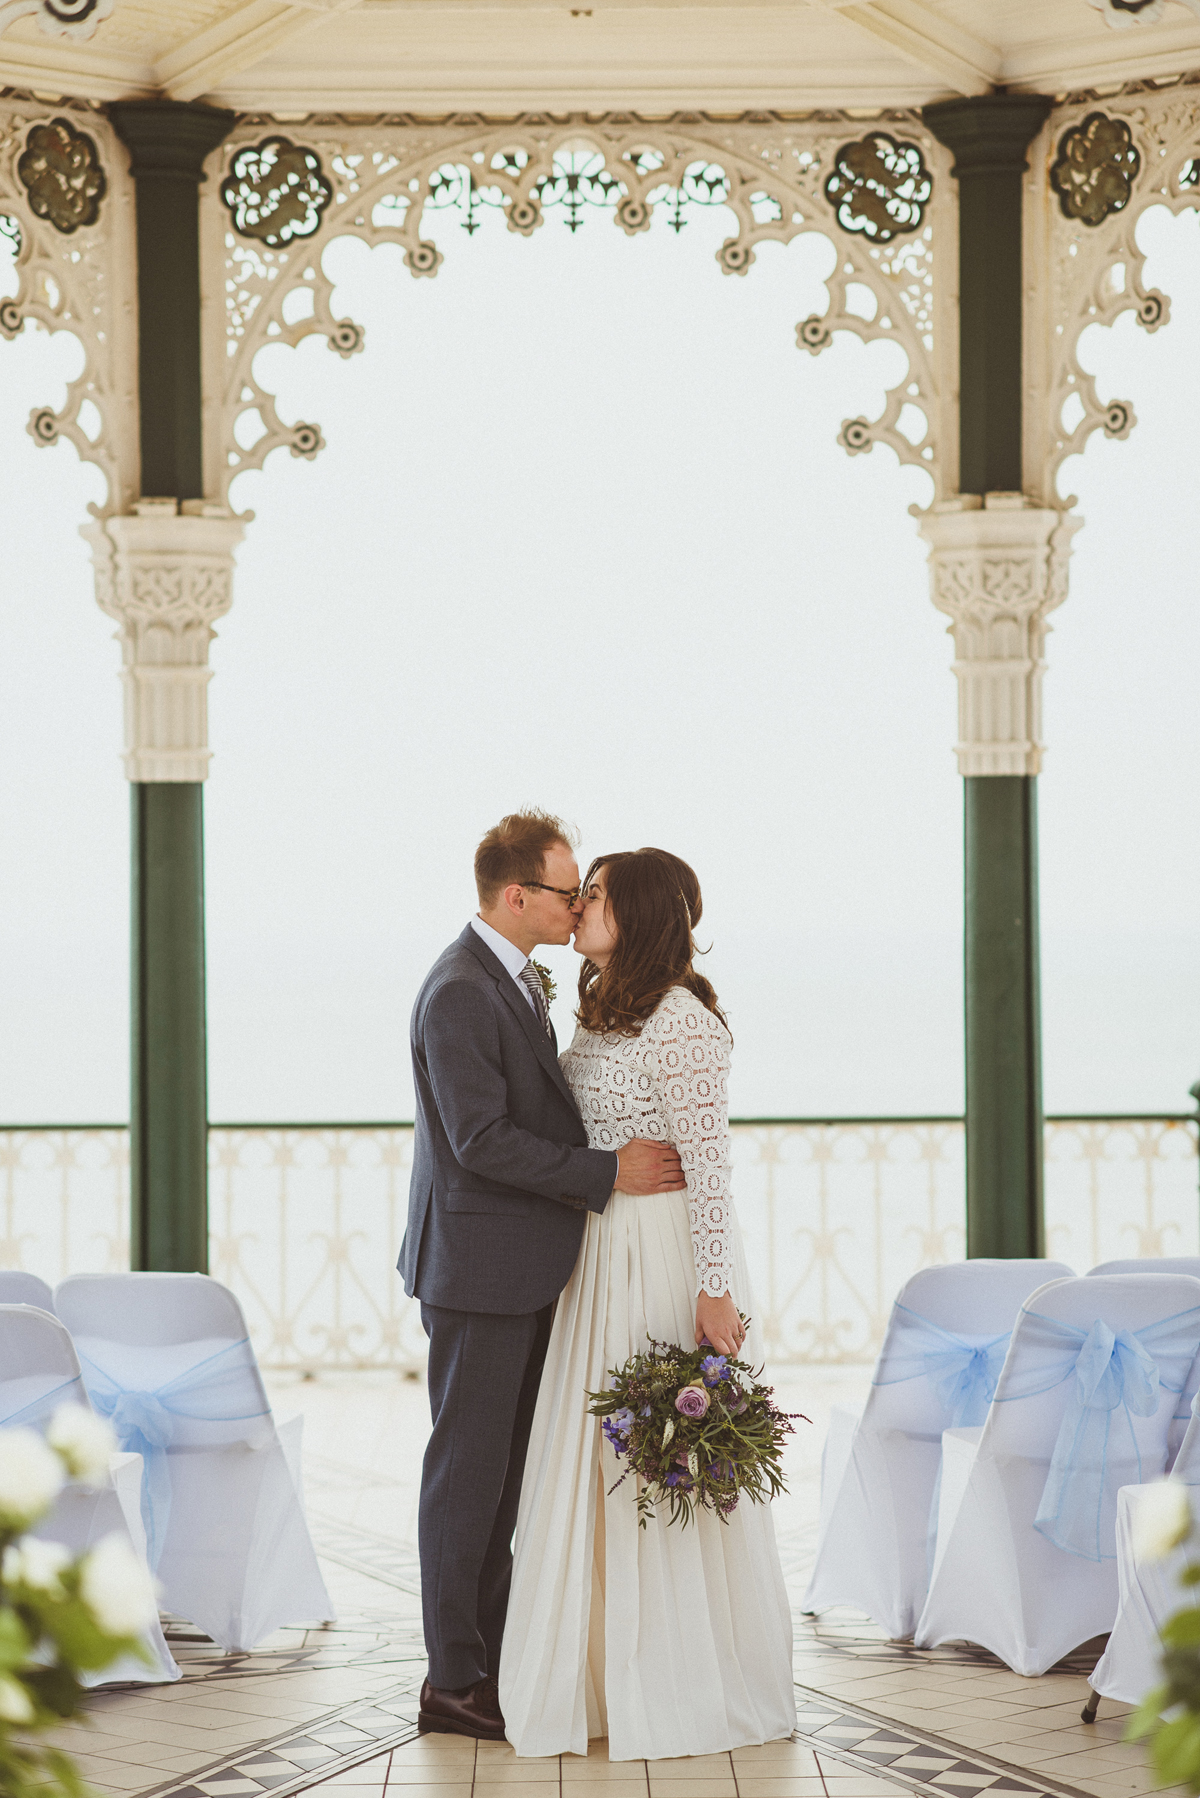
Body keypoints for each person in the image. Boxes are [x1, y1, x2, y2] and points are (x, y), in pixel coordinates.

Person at [499, 847, 796, 1760]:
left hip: (659, 1260)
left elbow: (711, 1172)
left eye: (596, 897)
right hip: (595, 1258)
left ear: (640, 916)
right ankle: (590, 1676)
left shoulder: (682, 1024)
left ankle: (672, 1679)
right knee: (587, 1457)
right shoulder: (598, 1010)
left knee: (651, 1456)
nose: (580, 907)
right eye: (578, 892)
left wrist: (716, 1291)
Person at [398, 811, 686, 1744]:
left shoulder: (514, 983)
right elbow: (479, 1142)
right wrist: (609, 1175)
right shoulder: (457, 992)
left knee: (504, 1477)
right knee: (466, 1477)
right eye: (568, 892)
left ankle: (492, 1659)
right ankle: (452, 1681)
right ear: (516, 895)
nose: (577, 906)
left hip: (518, 1271)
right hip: (479, 1273)